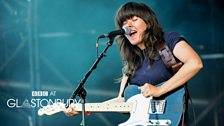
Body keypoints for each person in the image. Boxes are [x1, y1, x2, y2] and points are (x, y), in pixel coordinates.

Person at [64, 2, 203, 126]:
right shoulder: (131, 62)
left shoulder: (168, 41)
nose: (128, 26)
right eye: (124, 23)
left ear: (148, 23)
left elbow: (195, 63)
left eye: (134, 19)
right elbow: (123, 101)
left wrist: (160, 90)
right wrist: (85, 109)